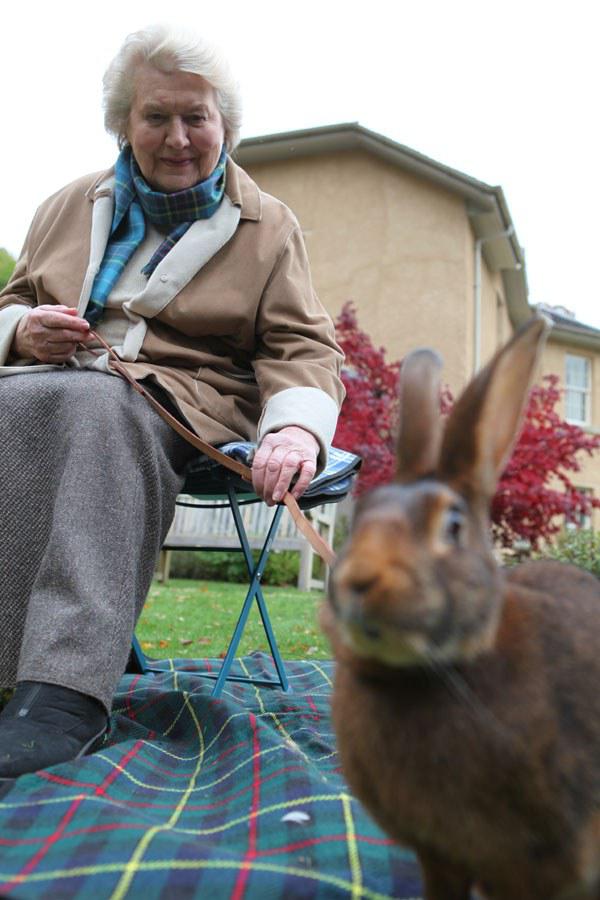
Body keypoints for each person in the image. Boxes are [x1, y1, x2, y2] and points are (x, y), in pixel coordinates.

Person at [0, 24, 344, 781]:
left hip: (181, 400)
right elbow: (13, 301)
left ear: (227, 125)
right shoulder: (65, 205)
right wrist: (21, 331)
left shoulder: (268, 225)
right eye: (157, 116)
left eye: (197, 117)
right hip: (49, 384)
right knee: (40, 407)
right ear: (124, 122)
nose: (178, 137)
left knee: (95, 410)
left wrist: (294, 431)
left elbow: (302, 347)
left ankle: (63, 691)